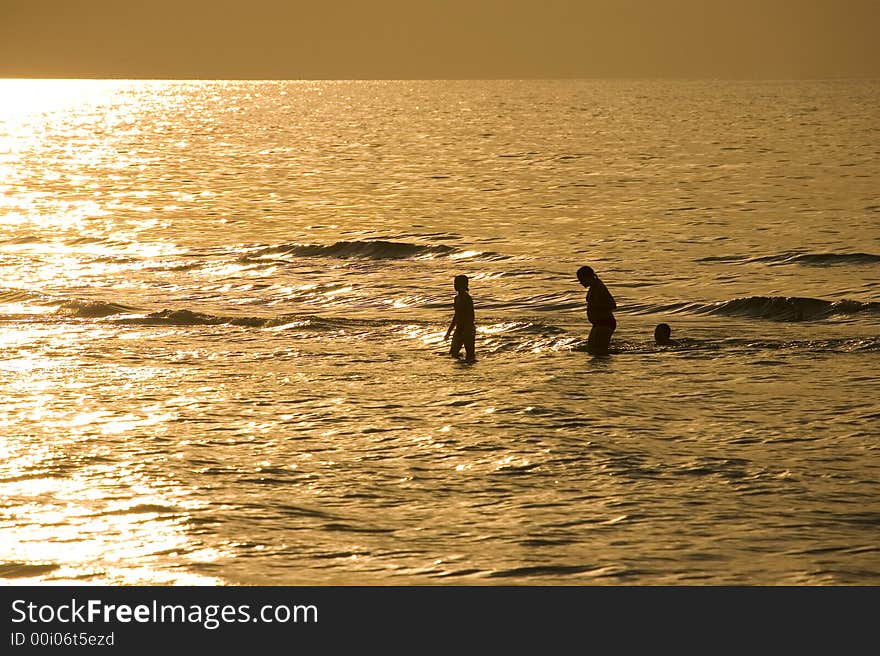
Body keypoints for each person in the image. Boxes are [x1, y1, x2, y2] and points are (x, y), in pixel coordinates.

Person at [576, 265, 616, 355]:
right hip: (598, 323)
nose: (580, 283)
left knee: (599, 351)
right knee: (591, 349)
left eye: (581, 280)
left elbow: (613, 305)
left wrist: (596, 306)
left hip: (605, 322)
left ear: (588, 277)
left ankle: (602, 368)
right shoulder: (593, 287)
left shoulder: (599, 287)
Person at [444, 274, 476, 361]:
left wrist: (466, 329)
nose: (454, 285)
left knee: (470, 356)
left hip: (468, 329)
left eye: (456, 283)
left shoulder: (467, 298)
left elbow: (471, 316)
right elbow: (456, 316)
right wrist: (449, 332)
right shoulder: (456, 298)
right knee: (453, 353)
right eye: (454, 283)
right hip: (459, 329)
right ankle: (460, 370)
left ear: (464, 285)